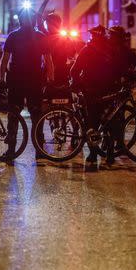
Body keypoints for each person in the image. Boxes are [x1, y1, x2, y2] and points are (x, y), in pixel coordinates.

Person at [0, 6, 54, 162]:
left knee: (14, 116)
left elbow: (5, 61)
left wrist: (2, 80)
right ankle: (39, 151)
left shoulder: (13, 36)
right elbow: (49, 61)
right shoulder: (40, 36)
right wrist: (50, 79)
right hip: (34, 81)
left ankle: (11, 151)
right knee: (37, 116)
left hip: (17, 80)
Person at [69, 25, 121, 169]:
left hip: (90, 92)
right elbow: (118, 69)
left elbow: (74, 70)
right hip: (109, 91)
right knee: (108, 123)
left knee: (91, 124)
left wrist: (78, 85)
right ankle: (109, 154)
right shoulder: (111, 50)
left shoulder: (87, 50)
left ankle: (93, 154)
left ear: (92, 36)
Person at [45, 13, 83, 90]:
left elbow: (72, 54)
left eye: (48, 23)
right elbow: (72, 54)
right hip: (59, 71)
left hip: (50, 72)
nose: (47, 26)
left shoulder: (44, 37)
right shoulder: (65, 38)